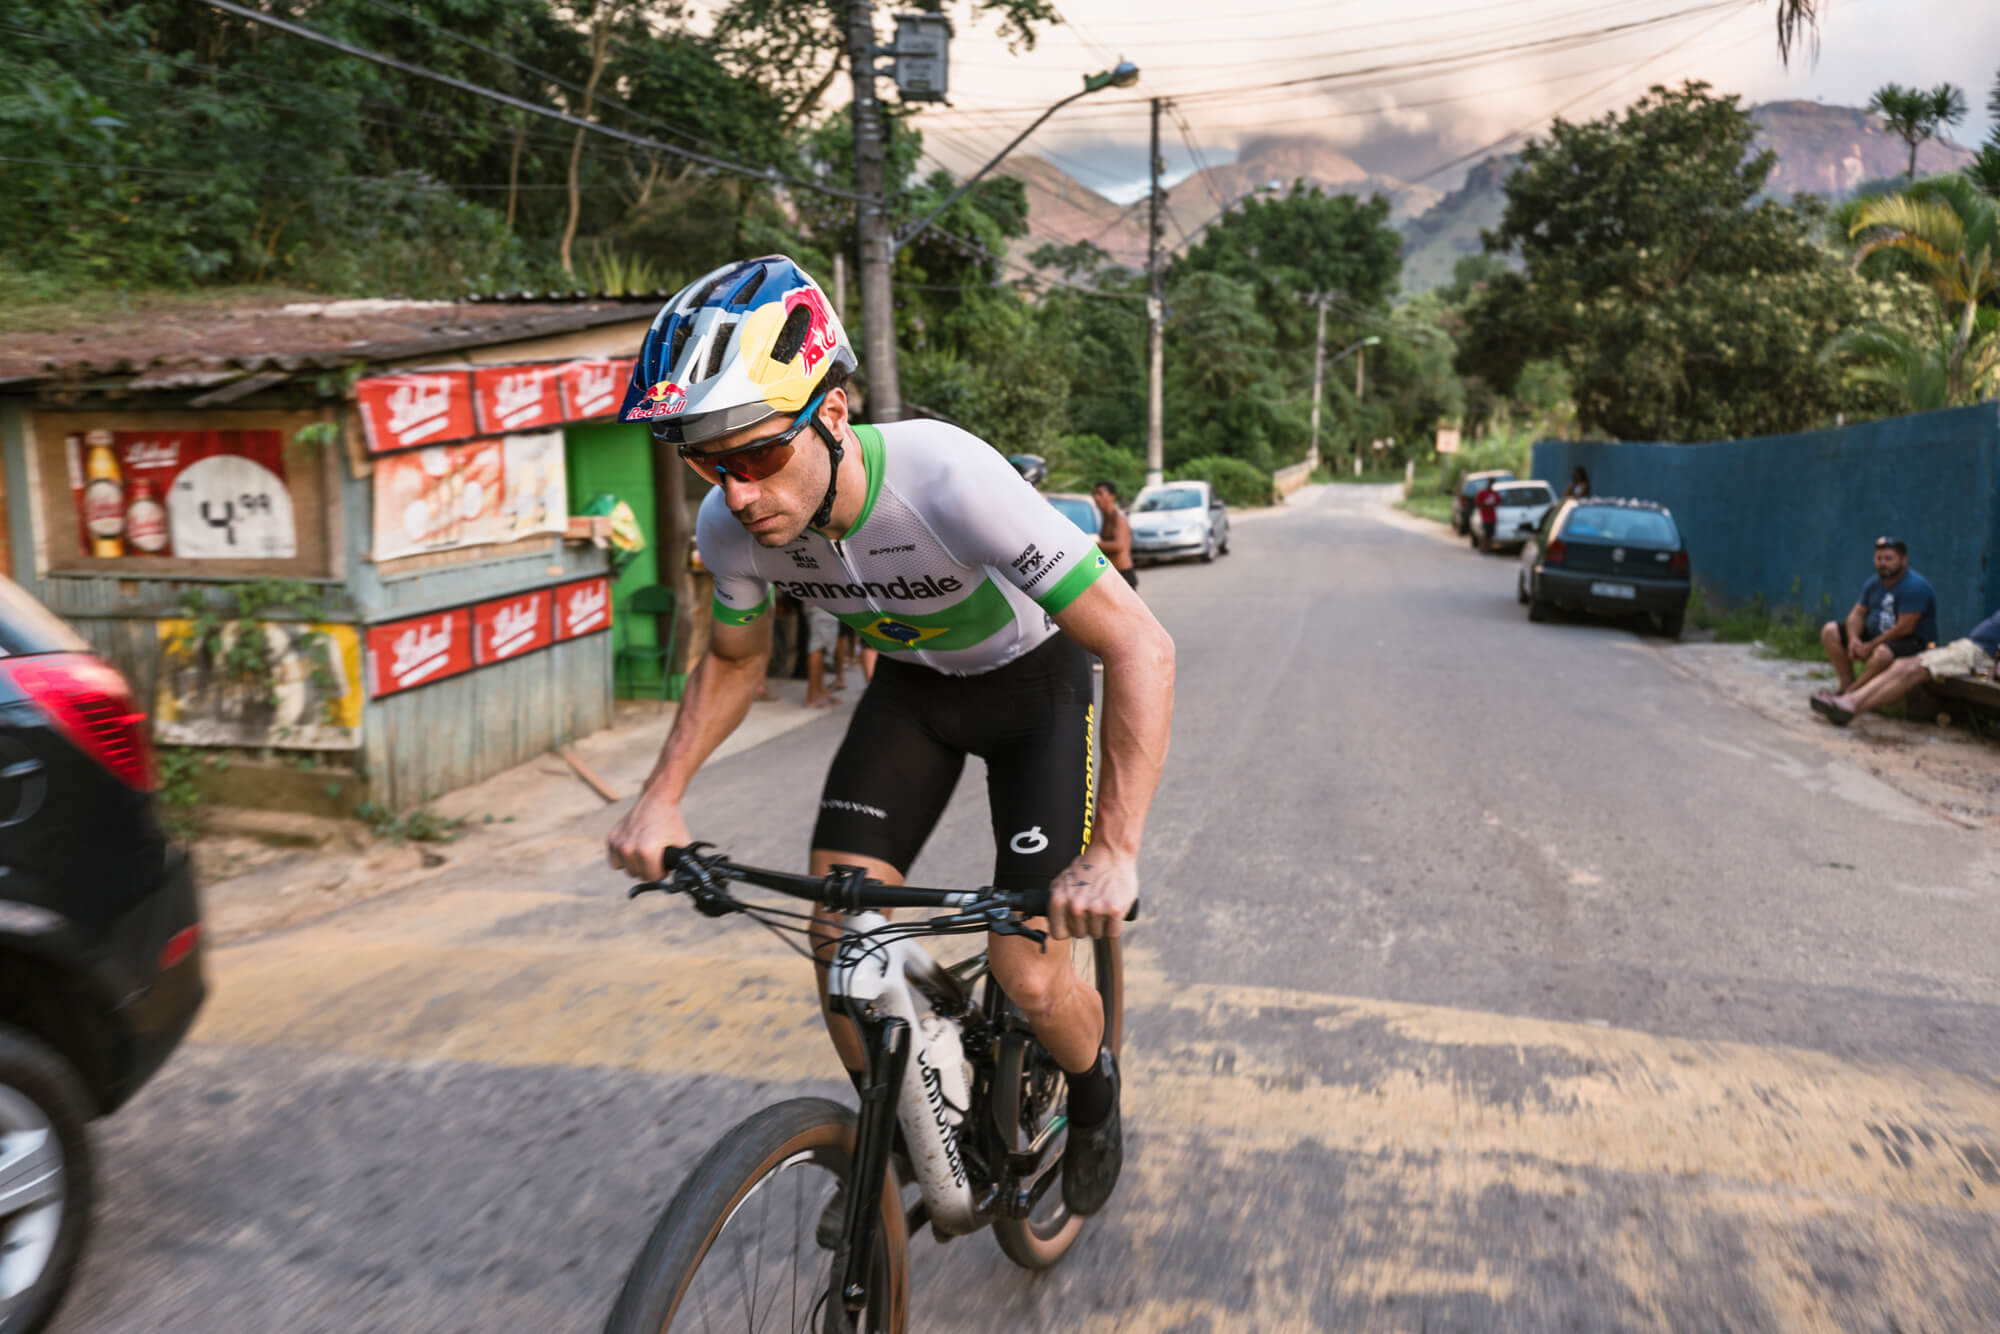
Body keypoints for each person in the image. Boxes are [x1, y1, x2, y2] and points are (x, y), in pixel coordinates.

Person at [604, 256, 1175, 1217]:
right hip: (916, 693)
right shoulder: (731, 528)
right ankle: (898, 1135)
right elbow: (738, 662)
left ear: (831, 415)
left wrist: (1115, 852)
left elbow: (1138, 644)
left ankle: (1092, 1092)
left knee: (1027, 970)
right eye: (708, 462)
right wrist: (661, 797)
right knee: (843, 934)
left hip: (1033, 689)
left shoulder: (949, 478)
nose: (738, 493)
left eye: (755, 455)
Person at [1811, 606, 2000, 727]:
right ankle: (1851, 699)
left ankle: (1850, 704)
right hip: (1979, 659)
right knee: (1905, 665)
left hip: (1979, 657)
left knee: (1912, 668)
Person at [1818, 536, 1938, 693]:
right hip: (1879, 637)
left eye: (1889, 558)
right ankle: (1846, 684)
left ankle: (1853, 694)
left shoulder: (1915, 586)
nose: (1882, 563)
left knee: (1882, 653)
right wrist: (1854, 639)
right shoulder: (1873, 583)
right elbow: (1857, 614)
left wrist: (1870, 646)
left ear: (1903, 560)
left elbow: (1904, 628)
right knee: (1830, 631)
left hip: (1914, 643)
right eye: (1878, 558)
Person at [1092, 480, 1137, 590]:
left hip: (1124, 573)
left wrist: (1093, 544)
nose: (1096, 497)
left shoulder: (1119, 518)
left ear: (1112, 497)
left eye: (1100, 493)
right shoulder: (1106, 518)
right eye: (1095, 494)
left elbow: (1118, 545)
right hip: (1112, 574)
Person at [803, 606, 841, 708]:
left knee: (820, 646)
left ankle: (819, 692)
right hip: (824, 603)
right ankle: (813, 696)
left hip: (820, 603)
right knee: (819, 646)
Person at [1473, 479, 1501, 548]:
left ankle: (1488, 548)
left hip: (1492, 517)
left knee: (1491, 534)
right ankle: (1483, 548)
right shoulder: (1482, 493)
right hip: (1485, 517)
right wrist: (1485, 504)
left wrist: (1493, 504)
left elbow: (1499, 501)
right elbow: (1477, 503)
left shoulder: (1494, 493)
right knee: (1485, 534)